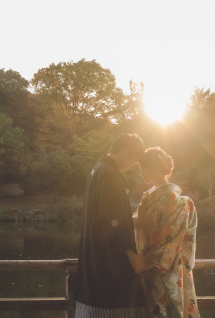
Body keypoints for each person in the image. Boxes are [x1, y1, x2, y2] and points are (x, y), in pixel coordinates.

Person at [76, 133, 148, 318]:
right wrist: (131, 255)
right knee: (113, 304)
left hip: (93, 255)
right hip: (107, 260)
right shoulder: (110, 174)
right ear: (125, 152)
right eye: (133, 160)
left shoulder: (97, 170)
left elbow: (107, 217)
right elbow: (113, 221)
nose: (132, 166)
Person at [135, 147, 200, 318]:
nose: (141, 172)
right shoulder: (148, 195)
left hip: (162, 267)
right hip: (143, 264)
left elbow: (170, 238)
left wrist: (144, 261)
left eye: (144, 167)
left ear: (157, 167)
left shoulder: (172, 197)